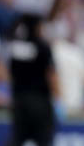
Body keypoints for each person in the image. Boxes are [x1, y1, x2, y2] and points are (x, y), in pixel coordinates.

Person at [7, 16, 57, 146]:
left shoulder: (15, 48)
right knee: (44, 140)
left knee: (17, 139)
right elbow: (51, 74)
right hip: (40, 102)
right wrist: (57, 97)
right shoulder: (43, 47)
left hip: (19, 101)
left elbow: (9, 73)